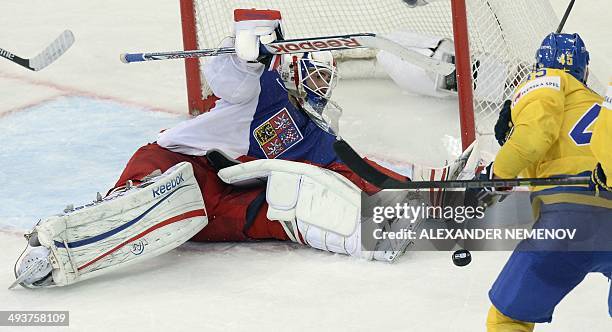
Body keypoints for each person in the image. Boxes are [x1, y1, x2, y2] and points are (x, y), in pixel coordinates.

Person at [11, 9, 421, 289]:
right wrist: (244, 50)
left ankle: (370, 234)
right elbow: (230, 77)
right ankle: (54, 249)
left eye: (325, 82)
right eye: (315, 78)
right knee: (149, 205)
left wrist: (428, 196)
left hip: (227, 196)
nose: (321, 90)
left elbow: (356, 170)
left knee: (290, 204)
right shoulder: (258, 92)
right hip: (178, 163)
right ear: (289, 68)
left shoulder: (313, 133)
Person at [481, 32, 612, 330]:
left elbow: (535, 137)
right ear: (585, 70)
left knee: (509, 318)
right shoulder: (599, 102)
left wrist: (498, 174)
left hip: (570, 218)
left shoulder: (546, 80)